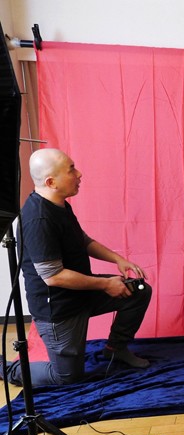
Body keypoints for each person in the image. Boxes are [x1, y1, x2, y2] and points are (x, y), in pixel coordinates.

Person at [2, 148, 152, 387]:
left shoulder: (58, 204)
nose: (79, 174)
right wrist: (105, 284)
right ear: (51, 182)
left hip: (81, 292)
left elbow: (81, 240)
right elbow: (53, 277)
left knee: (138, 291)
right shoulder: (38, 219)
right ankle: (8, 368)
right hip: (59, 308)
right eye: (71, 170)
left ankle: (115, 349)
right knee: (66, 377)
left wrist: (117, 259)